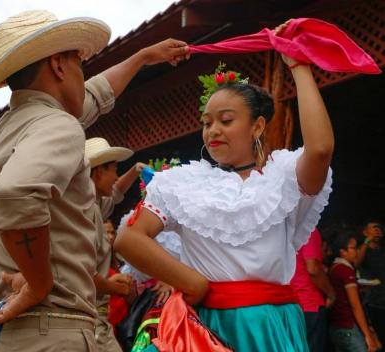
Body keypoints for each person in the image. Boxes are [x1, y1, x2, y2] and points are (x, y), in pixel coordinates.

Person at [0, 9, 189, 351]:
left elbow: (93, 97)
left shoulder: (12, 126)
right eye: (79, 64)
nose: (82, 75)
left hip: (26, 330)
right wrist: (40, 284)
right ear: (58, 66)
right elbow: (18, 194)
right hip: (53, 326)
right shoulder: (57, 124)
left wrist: (144, 56)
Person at [115, 20, 334, 351]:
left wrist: (298, 65)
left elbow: (320, 150)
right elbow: (129, 238)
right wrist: (191, 281)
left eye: (226, 120)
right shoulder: (181, 184)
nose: (213, 130)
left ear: (257, 126)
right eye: (207, 122)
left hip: (268, 326)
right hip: (203, 326)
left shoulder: (283, 180)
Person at [85, 137, 146, 351]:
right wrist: (112, 285)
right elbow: (78, 273)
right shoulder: (82, 213)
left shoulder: (93, 205)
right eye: (114, 170)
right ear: (99, 172)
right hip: (89, 323)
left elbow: (116, 192)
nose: (116, 177)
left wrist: (135, 171)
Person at [329, 231, 381, 352]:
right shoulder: (345, 270)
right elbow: (355, 305)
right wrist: (367, 335)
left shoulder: (335, 267)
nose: (357, 251)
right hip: (348, 326)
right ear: (343, 251)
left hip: (337, 325)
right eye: (353, 248)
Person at [290, 228, 336, 352]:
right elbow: (313, 269)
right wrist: (331, 293)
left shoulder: (284, 231)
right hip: (309, 303)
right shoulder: (308, 229)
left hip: (288, 304)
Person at [356, 220, 385, 344]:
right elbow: (356, 263)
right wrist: (368, 240)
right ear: (365, 232)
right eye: (373, 228)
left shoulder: (382, 249)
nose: (377, 230)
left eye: (379, 228)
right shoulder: (361, 248)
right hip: (371, 299)